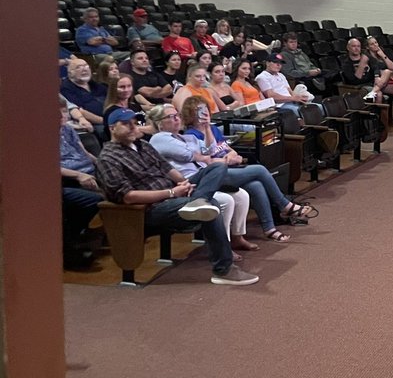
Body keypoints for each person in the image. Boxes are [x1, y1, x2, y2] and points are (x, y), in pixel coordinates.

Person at [94, 109, 258, 286]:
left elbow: (168, 169)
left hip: (173, 194)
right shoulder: (108, 158)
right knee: (212, 205)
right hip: (151, 208)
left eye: (134, 122)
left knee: (216, 168)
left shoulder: (143, 145)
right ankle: (223, 270)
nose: (133, 127)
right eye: (126, 124)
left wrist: (183, 183)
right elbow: (128, 197)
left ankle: (198, 200)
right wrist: (172, 193)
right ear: (112, 128)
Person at [179, 96, 315, 240]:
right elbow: (204, 160)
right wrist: (223, 158)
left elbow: (228, 149)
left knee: (255, 185)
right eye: (199, 110)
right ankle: (285, 205)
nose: (204, 112)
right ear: (191, 114)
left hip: (229, 168)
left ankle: (269, 229)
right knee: (260, 170)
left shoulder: (213, 129)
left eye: (205, 108)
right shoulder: (191, 135)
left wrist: (233, 155)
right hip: (212, 177)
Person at [145, 104, 254, 258]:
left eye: (177, 115)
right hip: (186, 182)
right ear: (159, 123)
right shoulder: (159, 138)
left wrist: (208, 128)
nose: (177, 119)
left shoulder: (187, 137)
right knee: (226, 199)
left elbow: (211, 150)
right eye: (171, 116)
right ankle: (222, 248)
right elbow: (187, 154)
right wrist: (206, 157)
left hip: (203, 177)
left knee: (241, 195)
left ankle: (237, 238)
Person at [59, 100, 102, 269]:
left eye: (64, 112)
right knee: (96, 199)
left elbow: (84, 152)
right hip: (70, 177)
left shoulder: (68, 129)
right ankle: (72, 238)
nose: (62, 116)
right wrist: (78, 175)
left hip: (87, 169)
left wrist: (102, 163)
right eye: (57, 113)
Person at [61, 59, 107, 132]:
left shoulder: (95, 84)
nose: (84, 69)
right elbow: (80, 110)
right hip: (94, 124)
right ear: (70, 73)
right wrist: (105, 121)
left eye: (86, 66)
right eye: (78, 67)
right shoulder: (66, 88)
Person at [340, 37, 393, 101]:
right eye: (354, 46)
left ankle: (373, 91)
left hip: (373, 83)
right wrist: (362, 65)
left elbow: (376, 66)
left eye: (358, 46)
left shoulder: (366, 56)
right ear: (348, 48)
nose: (356, 48)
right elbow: (354, 80)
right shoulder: (346, 63)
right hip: (360, 86)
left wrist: (376, 76)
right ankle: (374, 95)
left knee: (387, 72)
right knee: (378, 94)